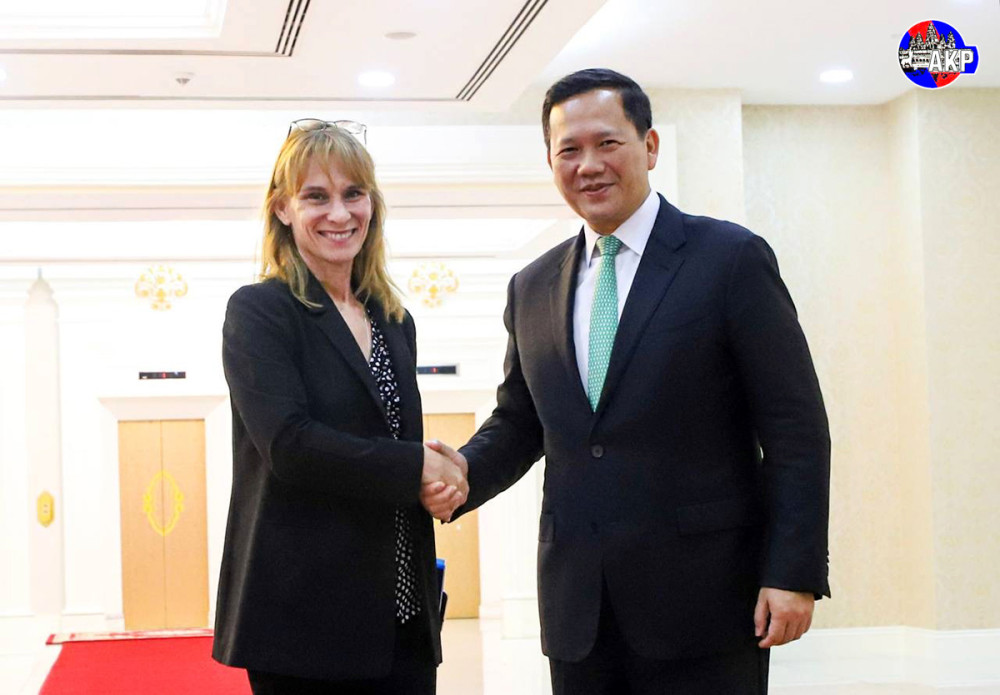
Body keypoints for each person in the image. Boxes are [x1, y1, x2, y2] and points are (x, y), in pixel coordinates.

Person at [422, 69, 831, 694]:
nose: (588, 165)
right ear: (551, 162)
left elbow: (795, 428)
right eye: (569, 150)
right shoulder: (532, 286)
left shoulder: (729, 260)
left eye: (607, 143)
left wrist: (792, 571)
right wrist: (460, 475)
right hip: (579, 607)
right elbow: (521, 421)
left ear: (650, 146)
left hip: (706, 600)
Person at [212, 118, 466, 694]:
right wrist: (415, 467)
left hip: (403, 611)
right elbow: (289, 445)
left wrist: (435, 483)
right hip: (305, 621)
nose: (339, 213)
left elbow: (393, 445)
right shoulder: (260, 311)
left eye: (354, 194)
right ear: (282, 208)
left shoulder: (394, 320)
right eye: (316, 196)